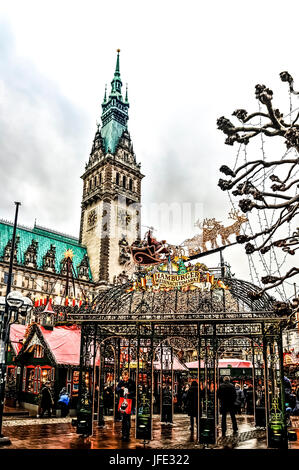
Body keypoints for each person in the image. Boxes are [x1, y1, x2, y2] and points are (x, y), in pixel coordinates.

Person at [116, 371, 136, 441]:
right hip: (123, 401)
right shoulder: (121, 382)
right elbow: (117, 389)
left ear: (128, 376)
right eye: (124, 377)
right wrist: (121, 389)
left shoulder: (132, 382)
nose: (125, 379)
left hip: (129, 402)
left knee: (127, 418)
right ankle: (124, 434)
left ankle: (127, 434)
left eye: (126, 377)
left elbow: (135, 392)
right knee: (124, 418)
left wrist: (129, 393)